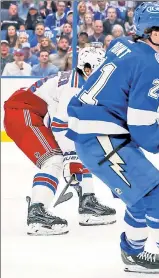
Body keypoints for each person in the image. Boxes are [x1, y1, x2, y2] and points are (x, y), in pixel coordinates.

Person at [65, 2, 159, 278]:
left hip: (97, 132)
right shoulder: (152, 65)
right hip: (101, 137)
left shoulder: (120, 44)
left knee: (140, 197)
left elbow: (123, 97)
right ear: (152, 33)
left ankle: (133, 253)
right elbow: (141, 128)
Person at [3, 47, 116, 236]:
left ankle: (87, 203)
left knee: (80, 148)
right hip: (22, 111)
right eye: (101, 69)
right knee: (53, 160)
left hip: (34, 113)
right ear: (87, 69)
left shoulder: (83, 83)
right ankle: (38, 212)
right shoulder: (76, 86)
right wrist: (70, 157)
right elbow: (60, 124)